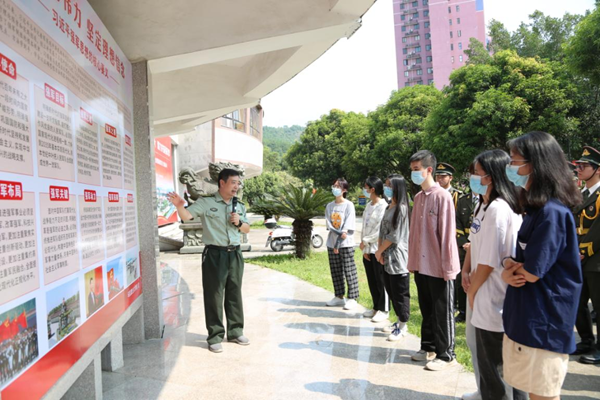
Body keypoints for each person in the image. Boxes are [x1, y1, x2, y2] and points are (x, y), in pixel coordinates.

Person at [502, 131, 582, 400]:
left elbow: (532, 273)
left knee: (543, 393)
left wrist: (511, 272)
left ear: (535, 164)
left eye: (514, 161)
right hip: (530, 315)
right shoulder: (536, 209)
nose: (510, 168)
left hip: (544, 318)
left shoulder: (552, 213)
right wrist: (508, 268)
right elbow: (521, 259)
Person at [463, 149, 525, 400]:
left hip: (492, 295)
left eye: (476, 173)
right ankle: (484, 391)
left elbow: (488, 263)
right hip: (479, 288)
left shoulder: (499, 209)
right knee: (484, 356)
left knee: (498, 367)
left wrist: (473, 292)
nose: (473, 178)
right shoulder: (483, 205)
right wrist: (466, 271)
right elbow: (473, 244)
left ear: (490, 176)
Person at [167, 168, 250, 353]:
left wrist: (238, 222)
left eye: (238, 183)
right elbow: (187, 217)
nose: (236, 186)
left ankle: (236, 331)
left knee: (234, 293)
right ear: (222, 182)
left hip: (235, 254)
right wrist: (180, 205)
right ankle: (215, 335)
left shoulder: (239, 206)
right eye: (233, 182)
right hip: (214, 254)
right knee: (214, 295)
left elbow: (246, 229)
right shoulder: (206, 202)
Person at [407, 150, 461, 371]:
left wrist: (448, 269)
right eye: (411, 170)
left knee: (442, 311)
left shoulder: (442, 197)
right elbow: (415, 235)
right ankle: (427, 347)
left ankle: (446, 353)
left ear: (429, 170)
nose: (414, 174)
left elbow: (448, 236)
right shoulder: (419, 198)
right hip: (422, 265)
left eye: (417, 170)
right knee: (426, 308)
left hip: (439, 266)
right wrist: (412, 263)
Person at [572, 146, 600, 364]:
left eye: (584, 166)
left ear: (597, 170)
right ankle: (586, 341)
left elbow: (597, 228)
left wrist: (582, 250)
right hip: (579, 258)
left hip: (595, 258)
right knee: (578, 301)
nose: (579, 169)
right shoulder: (582, 195)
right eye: (578, 165)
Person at [436, 162, 473, 323]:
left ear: (450, 178)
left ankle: (460, 306)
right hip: (441, 241)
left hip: (456, 243)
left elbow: (455, 222)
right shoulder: (432, 194)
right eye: (437, 175)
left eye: (443, 176)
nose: (439, 178)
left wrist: (462, 242)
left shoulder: (458, 196)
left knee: (457, 276)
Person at [375, 175, 411, 341]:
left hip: (398, 259)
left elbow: (394, 236)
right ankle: (398, 321)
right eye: (386, 185)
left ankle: (403, 325)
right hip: (386, 256)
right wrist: (380, 250)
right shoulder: (390, 206)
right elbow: (382, 231)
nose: (386, 188)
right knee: (390, 289)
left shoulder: (402, 208)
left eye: (389, 185)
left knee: (400, 293)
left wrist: (379, 251)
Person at [325, 178, 358, 310]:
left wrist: (339, 243)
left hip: (346, 243)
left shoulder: (349, 205)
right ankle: (339, 296)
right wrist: (335, 244)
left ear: (344, 190)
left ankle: (352, 297)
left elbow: (347, 228)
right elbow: (329, 224)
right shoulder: (329, 206)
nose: (335, 188)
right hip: (331, 243)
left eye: (338, 186)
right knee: (336, 270)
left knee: (349, 270)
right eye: (334, 186)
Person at [360, 176, 389, 322]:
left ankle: (384, 309)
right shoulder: (368, 205)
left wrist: (365, 241)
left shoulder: (384, 206)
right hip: (367, 249)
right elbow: (364, 227)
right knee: (372, 279)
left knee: (381, 280)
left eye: (366, 187)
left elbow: (380, 230)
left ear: (372, 189)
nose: (364, 190)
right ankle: (376, 306)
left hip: (378, 248)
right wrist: (364, 246)